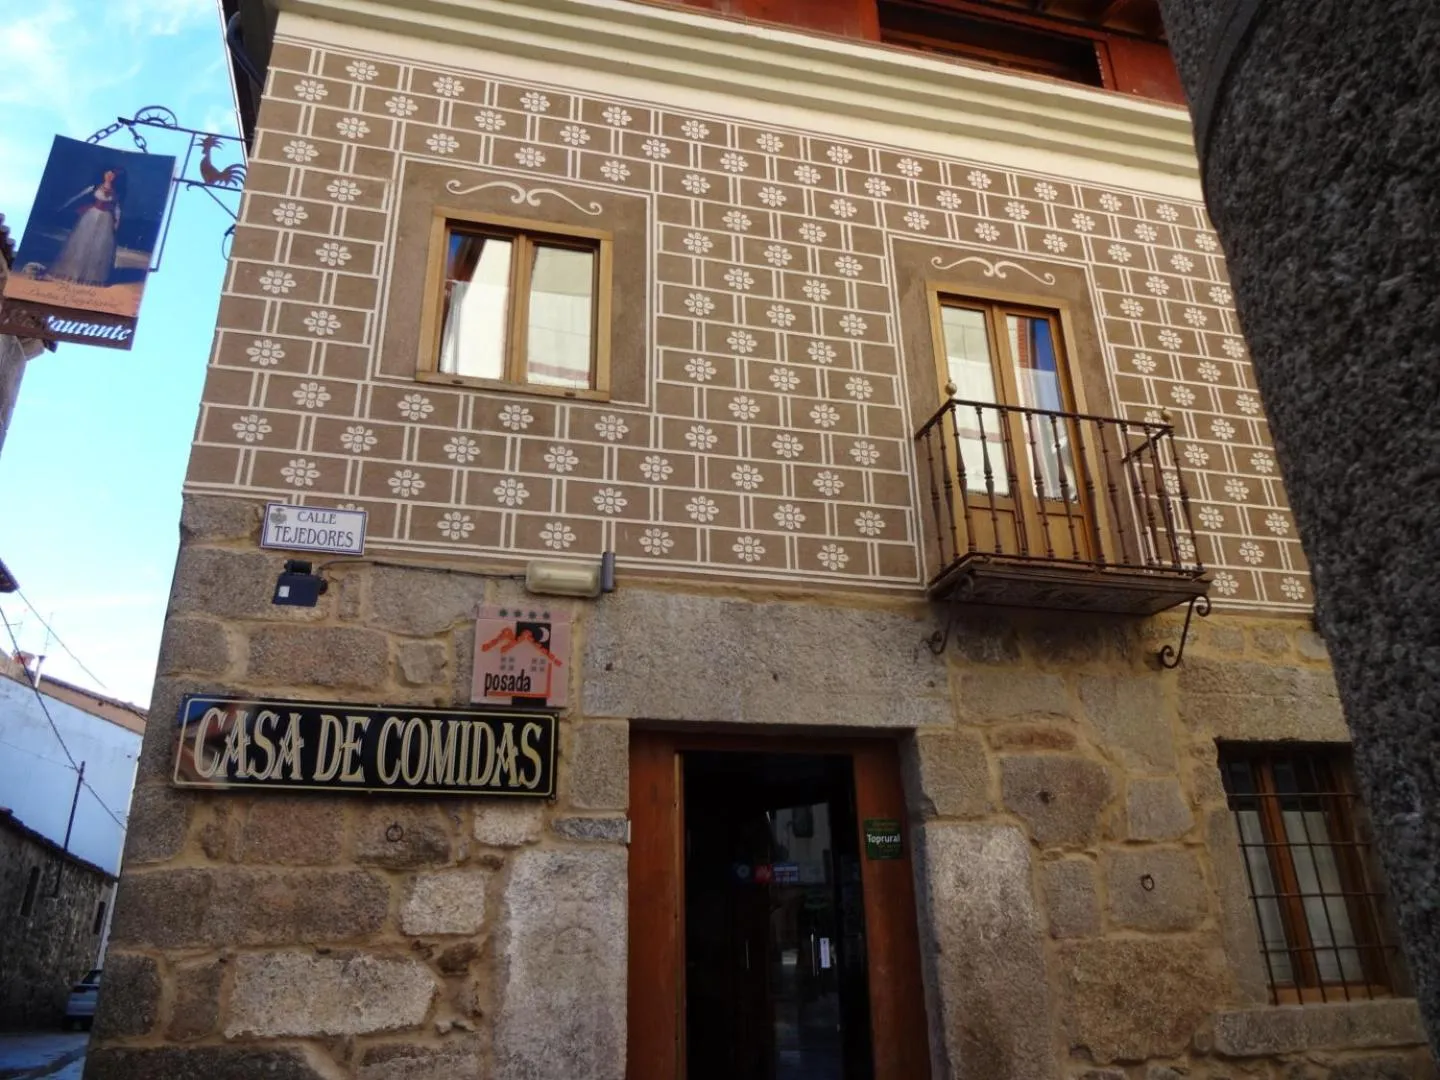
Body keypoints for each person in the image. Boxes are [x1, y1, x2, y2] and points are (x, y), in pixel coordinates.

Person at [49, 165, 126, 286]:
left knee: (99, 246)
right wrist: (63, 206)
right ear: (104, 174)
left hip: (106, 219)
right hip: (91, 216)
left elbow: (117, 209)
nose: (109, 176)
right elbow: (78, 196)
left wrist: (117, 222)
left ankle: (92, 276)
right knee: (82, 242)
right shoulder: (95, 186)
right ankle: (74, 273)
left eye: (112, 175)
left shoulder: (116, 192)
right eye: (108, 174)